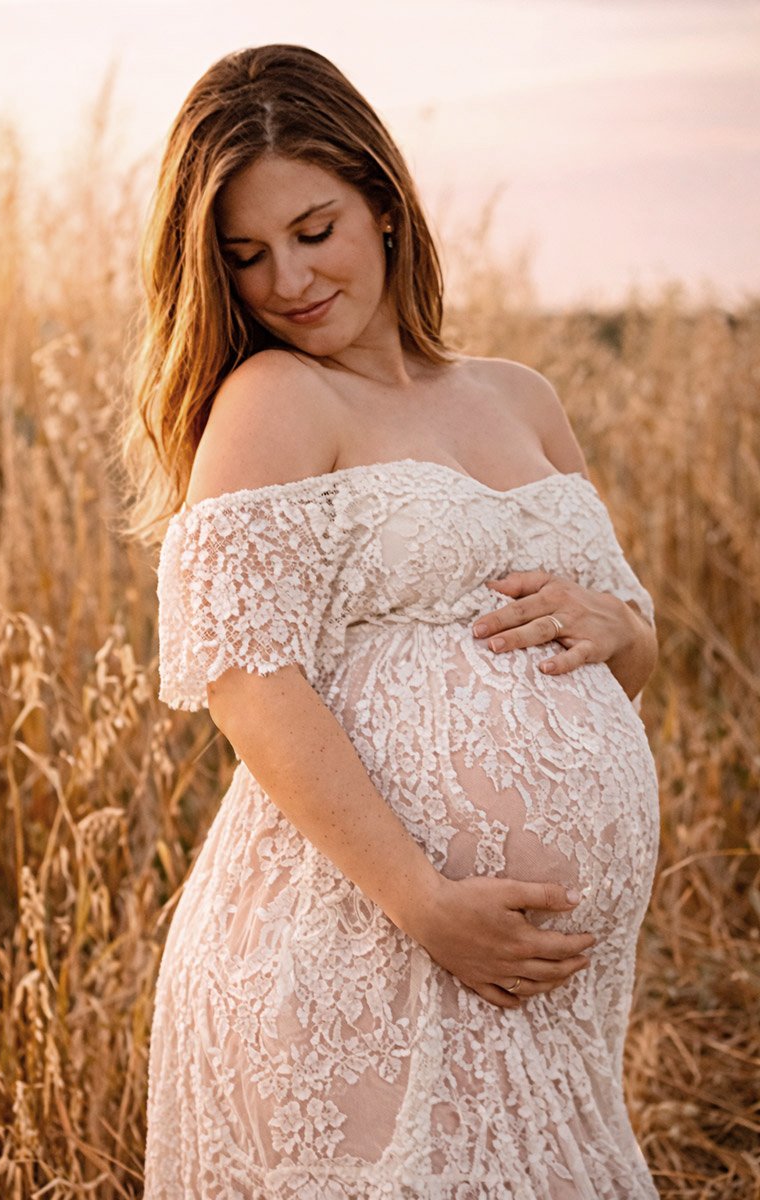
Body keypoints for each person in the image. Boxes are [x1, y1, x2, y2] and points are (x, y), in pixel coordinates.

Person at [128, 43, 661, 1199]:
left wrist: (619, 628)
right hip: (360, 953)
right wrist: (422, 901)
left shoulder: (520, 397)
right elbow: (243, 677)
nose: (285, 280)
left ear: (380, 200)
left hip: (534, 996)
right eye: (244, 256)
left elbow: (623, 655)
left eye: (311, 230)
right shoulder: (276, 398)